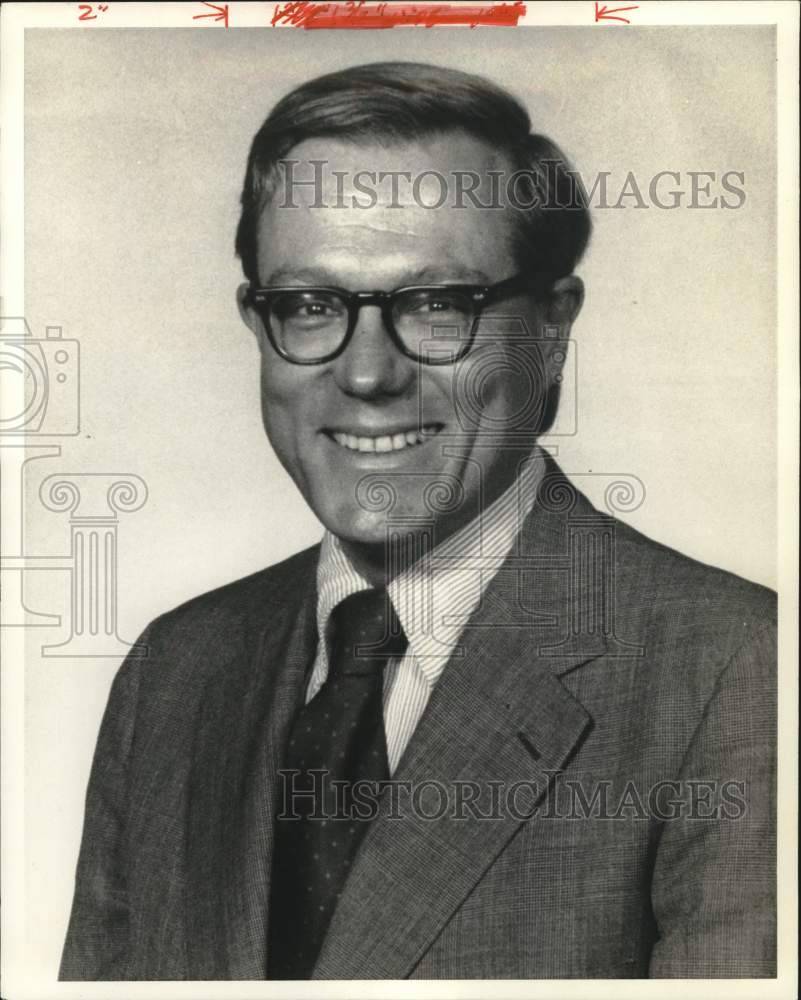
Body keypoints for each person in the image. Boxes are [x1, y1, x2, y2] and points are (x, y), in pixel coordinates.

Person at [59, 61, 776, 981]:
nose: (365, 376)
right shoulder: (175, 673)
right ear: (256, 323)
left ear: (551, 330)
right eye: (311, 305)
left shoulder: (735, 672)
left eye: (437, 305)